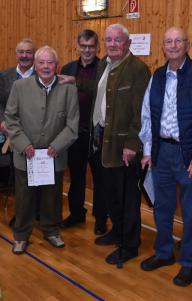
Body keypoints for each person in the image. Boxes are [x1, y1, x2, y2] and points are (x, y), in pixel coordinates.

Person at [139, 27, 192, 287]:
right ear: (163, 47)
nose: (173, 45)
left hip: (190, 155)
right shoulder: (158, 76)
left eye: (178, 41)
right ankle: (163, 253)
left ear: (187, 44)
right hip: (162, 152)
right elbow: (147, 115)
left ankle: (189, 262)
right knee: (161, 207)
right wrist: (148, 150)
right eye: (168, 42)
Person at [5, 46, 79, 254]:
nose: (46, 67)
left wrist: (57, 145)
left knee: (52, 197)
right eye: (42, 63)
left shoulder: (68, 89)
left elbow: (73, 124)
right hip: (24, 154)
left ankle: (51, 230)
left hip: (54, 156)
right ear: (35, 65)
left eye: (50, 63)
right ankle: (21, 235)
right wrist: (23, 143)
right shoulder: (19, 86)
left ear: (57, 65)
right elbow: (11, 118)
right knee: (24, 198)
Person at [91, 23, 151, 265]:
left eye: (118, 40)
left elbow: (141, 112)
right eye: (109, 40)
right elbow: (101, 95)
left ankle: (130, 245)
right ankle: (117, 231)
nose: (113, 44)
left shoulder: (138, 69)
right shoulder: (103, 65)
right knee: (110, 195)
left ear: (128, 43)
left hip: (124, 145)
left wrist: (132, 143)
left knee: (127, 198)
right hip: (102, 142)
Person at [60, 29, 107, 235]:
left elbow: (101, 92)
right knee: (76, 178)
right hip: (74, 133)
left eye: (91, 46)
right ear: (77, 46)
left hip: (97, 134)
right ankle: (77, 213)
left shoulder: (105, 67)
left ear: (98, 47)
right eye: (83, 46)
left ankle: (100, 219)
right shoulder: (68, 68)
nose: (87, 50)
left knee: (100, 180)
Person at [0, 38, 36, 227]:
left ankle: (36, 212)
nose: (24, 56)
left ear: (34, 54)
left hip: (37, 136)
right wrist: (2, 122)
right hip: (12, 136)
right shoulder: (4, 76)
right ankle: (21, 215)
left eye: (28, 52)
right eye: (21, 52)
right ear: (16, 54)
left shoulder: (42, 74)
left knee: (36, 176)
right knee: (19, 177)